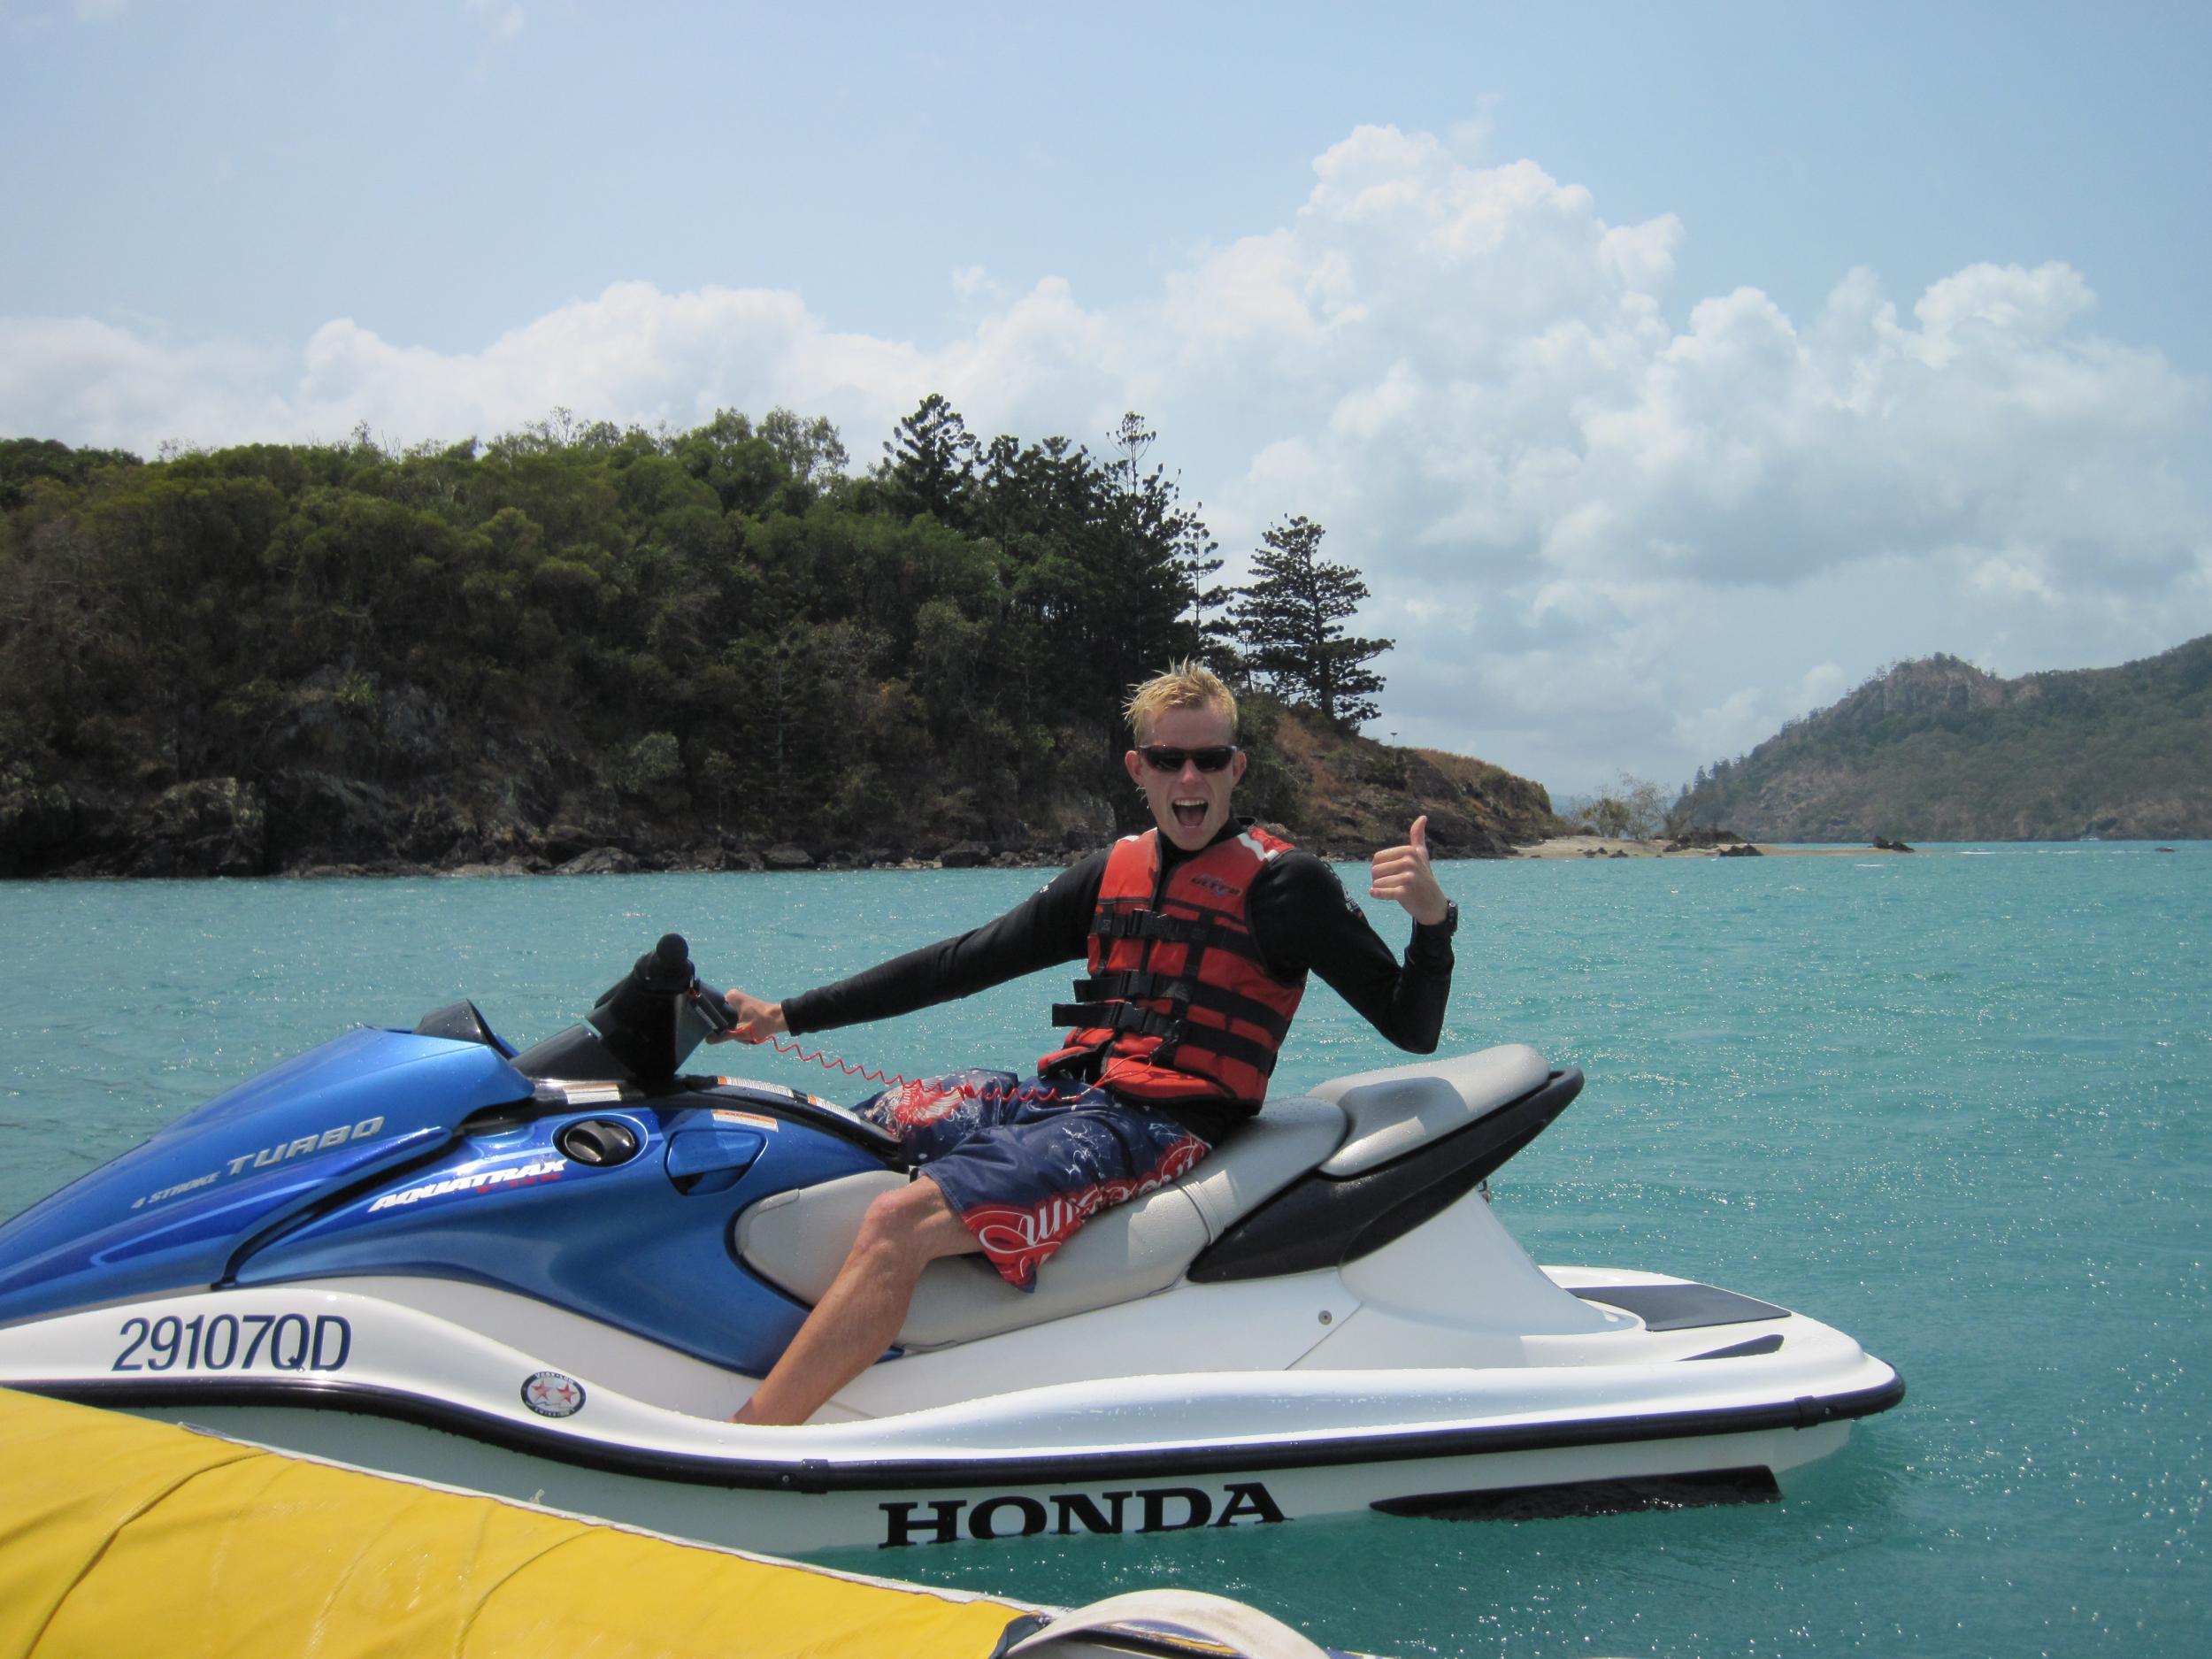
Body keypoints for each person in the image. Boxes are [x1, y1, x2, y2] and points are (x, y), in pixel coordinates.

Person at [712, 661, 1456, 1425]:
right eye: (1169, 759)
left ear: (1237, 767)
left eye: (1208, 759)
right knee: (849, 1128)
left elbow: (1412, 1026)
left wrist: (1433, 922)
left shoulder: (1286, 884)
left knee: (895, 1221)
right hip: (1066, 1097)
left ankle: (752, 1436)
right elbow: (959, 962)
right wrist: (785, 1014)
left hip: (1158, 1126)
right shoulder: (1111, 871)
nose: (1189, 776)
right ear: (1140, 768)